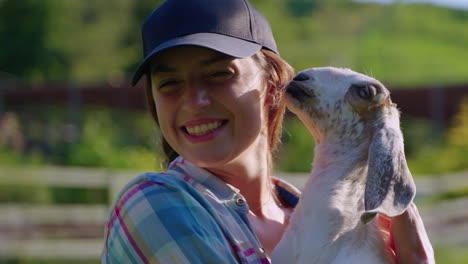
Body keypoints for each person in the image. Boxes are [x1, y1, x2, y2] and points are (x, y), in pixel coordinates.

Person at [101, 0, 434, 263]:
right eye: (169, 83)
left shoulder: (308, 216)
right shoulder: (154, 205)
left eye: (219, 74)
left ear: (275, 84)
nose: (195, 101)